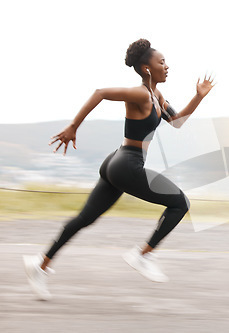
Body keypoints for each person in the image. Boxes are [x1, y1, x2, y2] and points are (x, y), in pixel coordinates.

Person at [23, 38, 215, 300]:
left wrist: (198, 96)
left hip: (117, 161)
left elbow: (177, 122)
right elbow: (100, 92)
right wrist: (73, 127)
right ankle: (142, 255)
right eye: (161, 62)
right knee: (181, 203)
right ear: (147, 68)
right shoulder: (140, 94)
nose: (167, 66)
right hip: (127, 164)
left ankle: (40, 264)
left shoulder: (156, 96)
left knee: (85, 219)